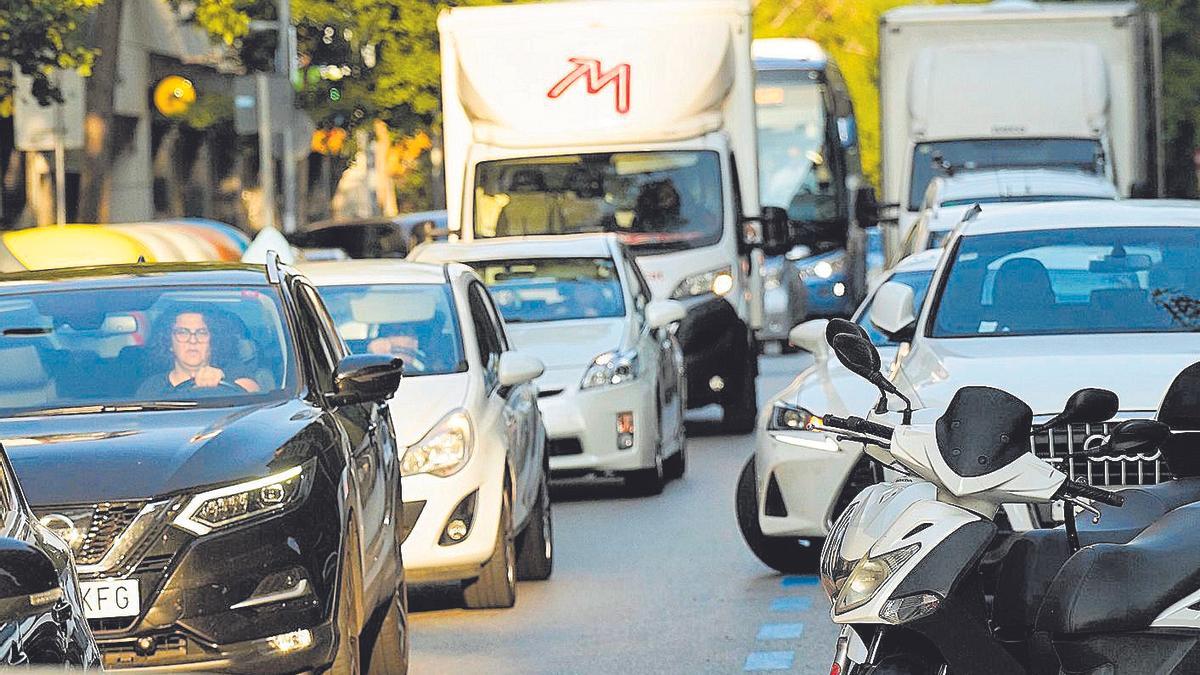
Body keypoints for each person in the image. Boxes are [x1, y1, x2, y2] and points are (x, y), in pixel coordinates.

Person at [137, 309, 261, 397]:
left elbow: (256, 397)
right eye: (182, 332)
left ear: (214, 341)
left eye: (202, 333)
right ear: (168, 342)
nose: (193, 340)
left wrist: (221, 381)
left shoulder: (234, 373)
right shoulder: (152, 387)